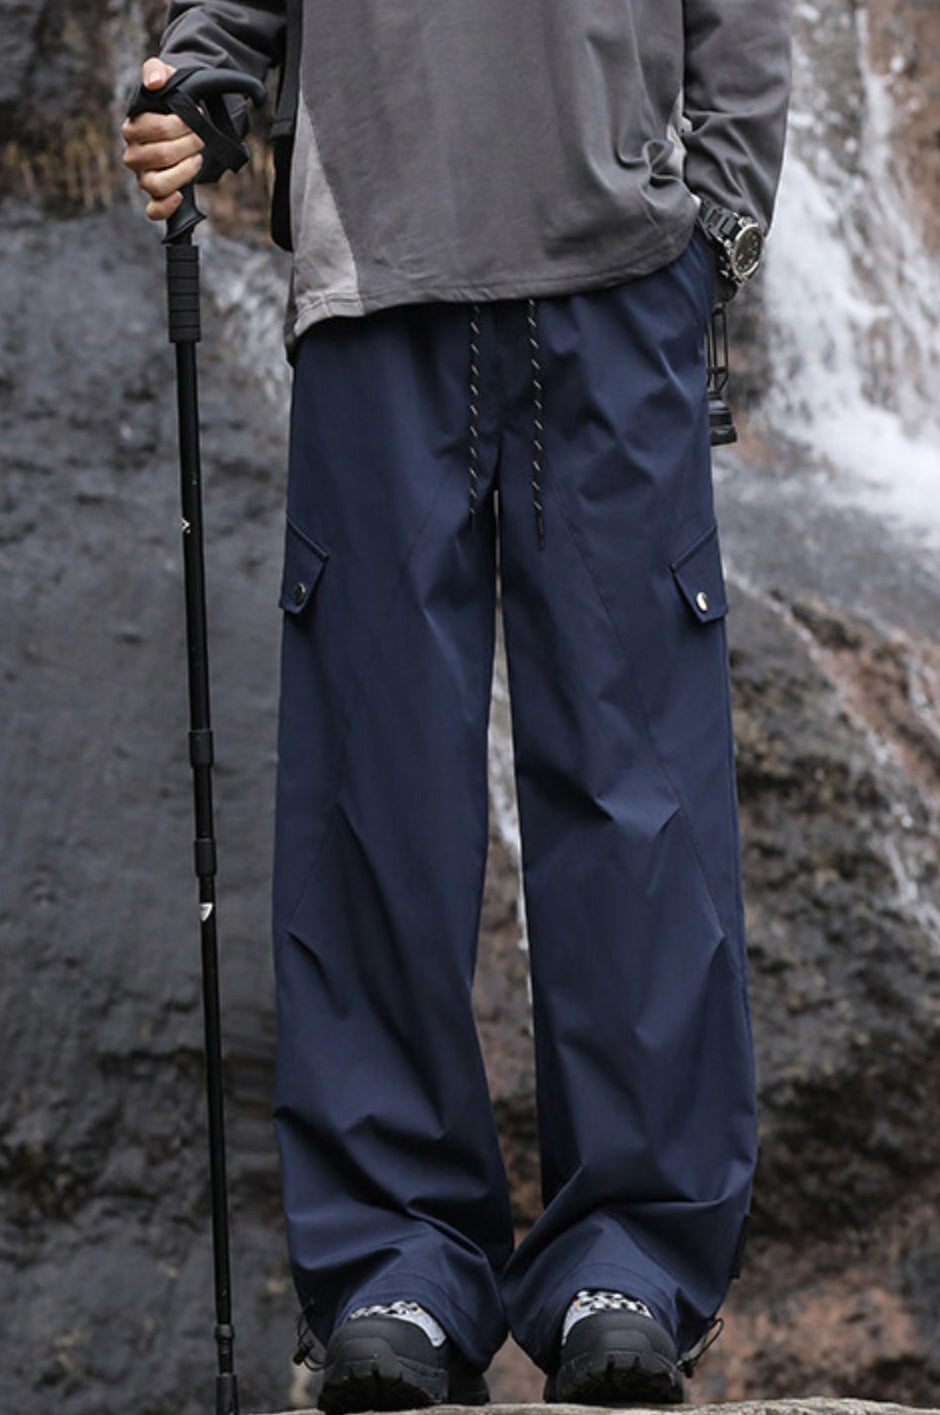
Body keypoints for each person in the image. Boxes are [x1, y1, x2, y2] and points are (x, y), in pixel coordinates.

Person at [121, 2, 791, 1408]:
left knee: (637, 790)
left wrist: (714, 238)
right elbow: (224, 16)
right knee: (378, 792)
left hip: (621, 280)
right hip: (377, 279)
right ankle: (396, 1265)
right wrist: (205, 73)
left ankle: (633, 1262)